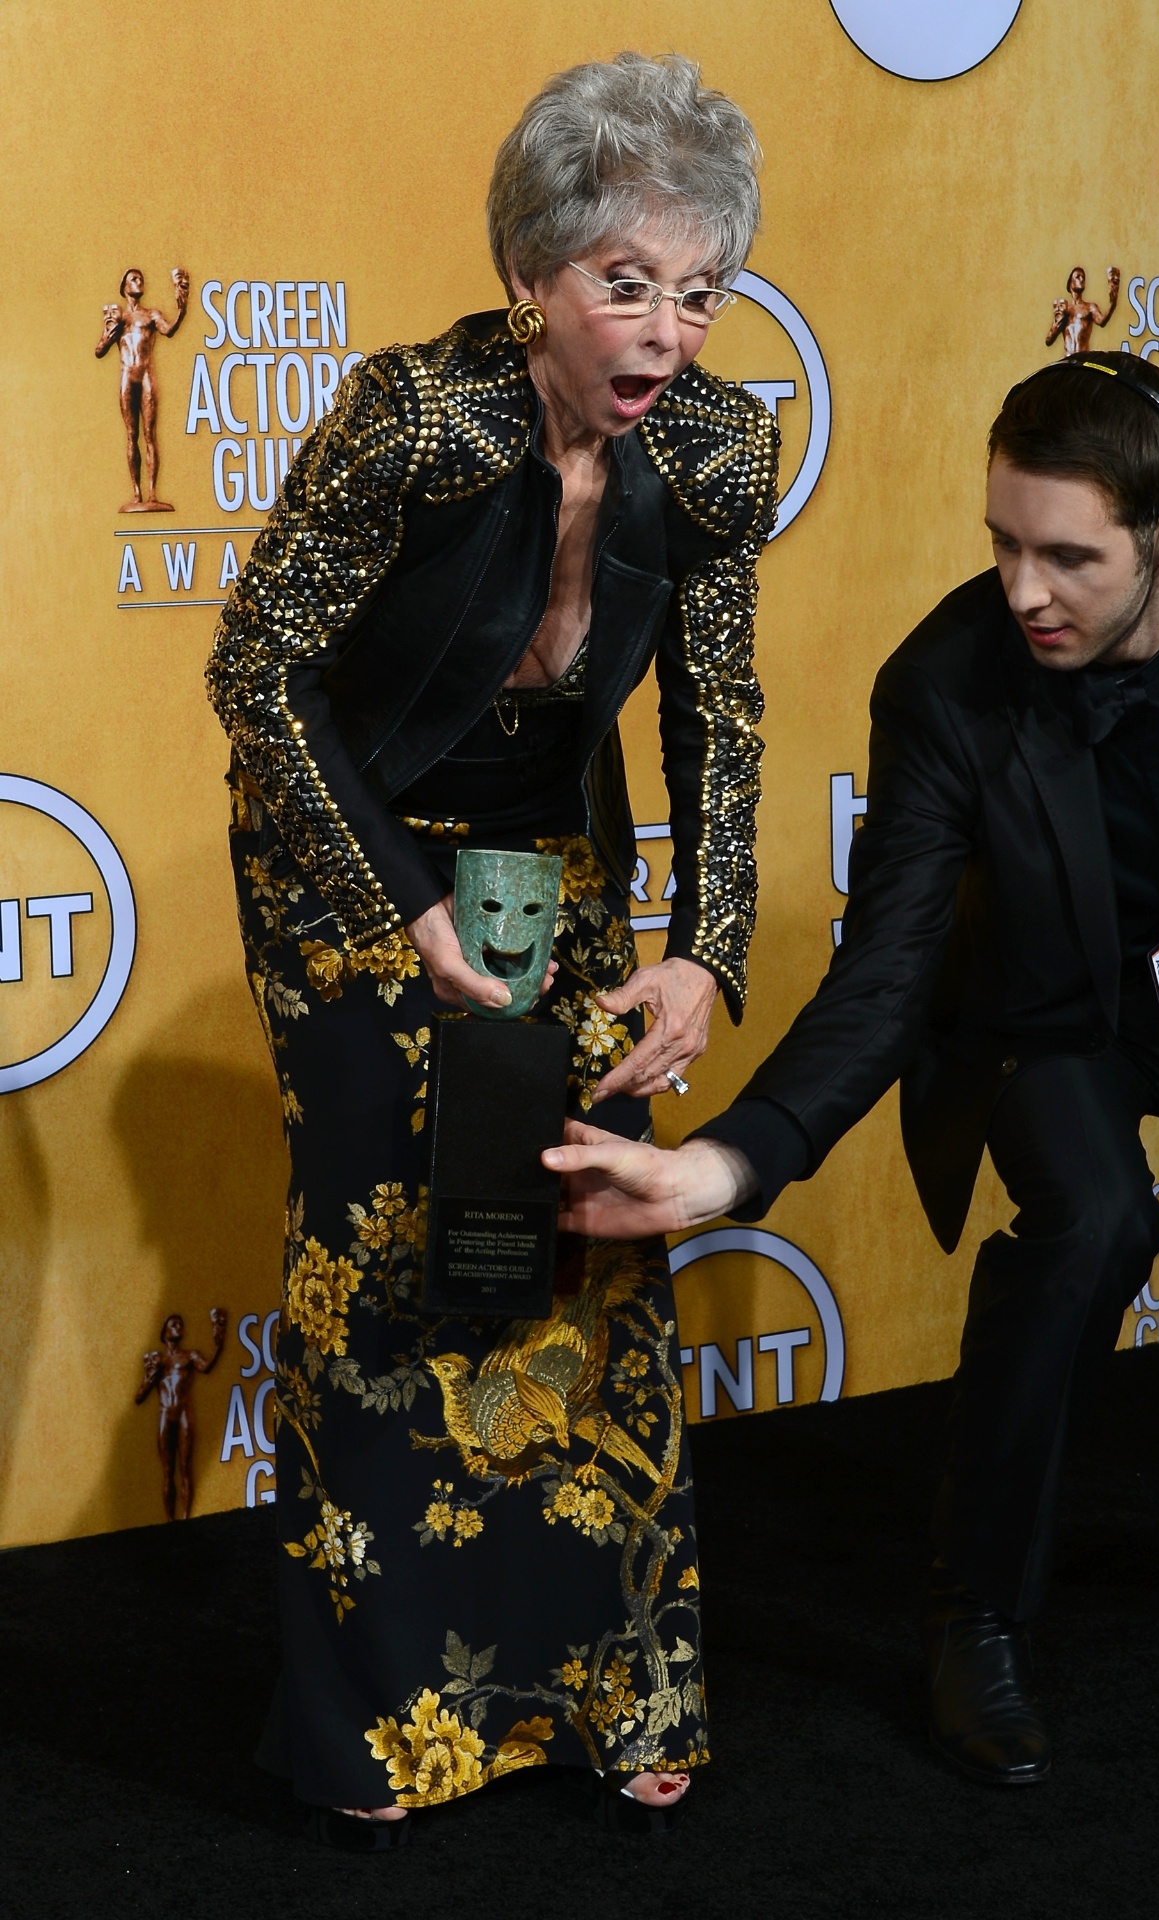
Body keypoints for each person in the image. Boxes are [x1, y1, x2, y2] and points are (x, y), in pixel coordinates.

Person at [548, 350, 1159, 1788]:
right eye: (1002, 543)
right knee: (1091, 1225)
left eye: (1068, 556)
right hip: (1032, 1010)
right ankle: (974, 1619)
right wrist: (726, 1160)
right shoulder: (945, 684)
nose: (1023, 591)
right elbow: (881, 973)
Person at [206, 52, 778, 1849]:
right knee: (384, 1254)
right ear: (535, 270)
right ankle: (387, 1724)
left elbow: (721, 717)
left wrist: (707, 949)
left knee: (584, 1235)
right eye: (626, 281)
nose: (666, 329)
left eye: (697, 289)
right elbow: (256, 675)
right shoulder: (414, 418)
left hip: (551, 844)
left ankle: (620, 1691)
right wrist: (398, 905)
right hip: (352, 843)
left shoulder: (714, 448)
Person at [94, 266, 189, 511]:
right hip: (127, 377)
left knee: (150, 435)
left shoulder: (151, 315)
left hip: (146, 376)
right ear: (125, 287)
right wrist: (107, 335)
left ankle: (152, 493)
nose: (139, 282)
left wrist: (182, 308)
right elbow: (99, 350)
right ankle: (136, 493)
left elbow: (169, 330)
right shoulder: (119, 318)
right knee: (131, 435)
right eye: (134, 279)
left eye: (141, 279)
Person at [134, 1308, 227, 1519]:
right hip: (165, 1415)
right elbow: (139, 1397)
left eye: (180, 1324)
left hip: (184, 1412)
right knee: (168, 1471)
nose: (179, 1327)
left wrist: (219, 1345)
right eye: (173, 1324)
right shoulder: (158, 1361)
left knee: (185, 1467)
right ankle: (170, 1520)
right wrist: (149, 1378)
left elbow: (207, 1367)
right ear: (165, 1333)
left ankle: (185, 1517)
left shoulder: (190, 1356)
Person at [1047, 263, 1120, 357]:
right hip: (1067, 359)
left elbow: (1102, 321)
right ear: (1070, 283)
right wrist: (1056, 327)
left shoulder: (1090, 307)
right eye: (1078, 277)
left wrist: (1112, 304)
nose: (1081, 279)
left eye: (1083, 277)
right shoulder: (1064, 308)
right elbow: (1049, 340)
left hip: (1083, 359)